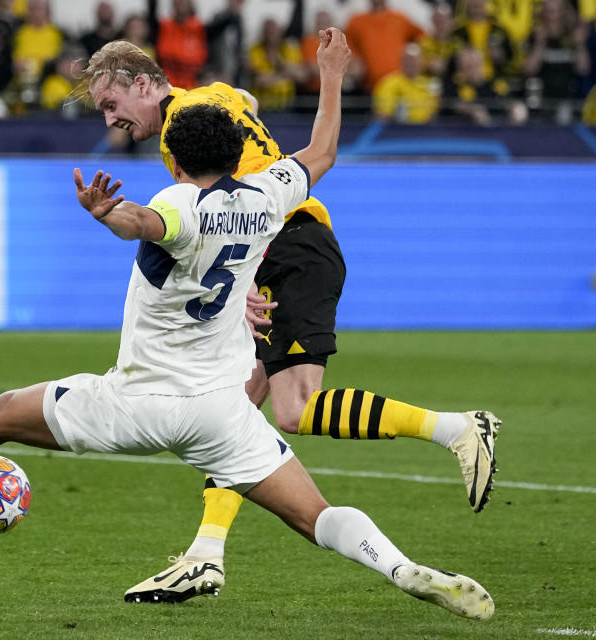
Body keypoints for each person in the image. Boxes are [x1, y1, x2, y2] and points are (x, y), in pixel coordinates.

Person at [0, 30, 494, 621]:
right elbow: (319, 153)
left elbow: (148, 222)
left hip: (136, 404)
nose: (113, 120)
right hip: (219, 412)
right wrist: (331, 77)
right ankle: (401, 568)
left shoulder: (177, 200)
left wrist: (108, 213)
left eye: (112, 106)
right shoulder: (268, 195)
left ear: (176, 147)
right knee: (314, 514)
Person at [76, 39, 500, 603]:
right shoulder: (213, 97)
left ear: (144, 83)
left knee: (295, 409)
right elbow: (246, 104)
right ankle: (204, 555)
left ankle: (458, 428)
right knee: (232, 411)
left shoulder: (181, 129)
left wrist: (246, 280)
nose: (111, 120)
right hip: (286, 247)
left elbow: (239, 209)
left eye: (111, 103)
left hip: (288, 248)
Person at [372, 43, 440, 124]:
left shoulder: (431, 83)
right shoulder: (388, 83)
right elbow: (382, 115)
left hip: (425, 130)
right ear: (402, 61)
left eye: (415, 60)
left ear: (421, 62)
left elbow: (434, 113)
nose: (411, 63)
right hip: (397, 129)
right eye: (408, 59)